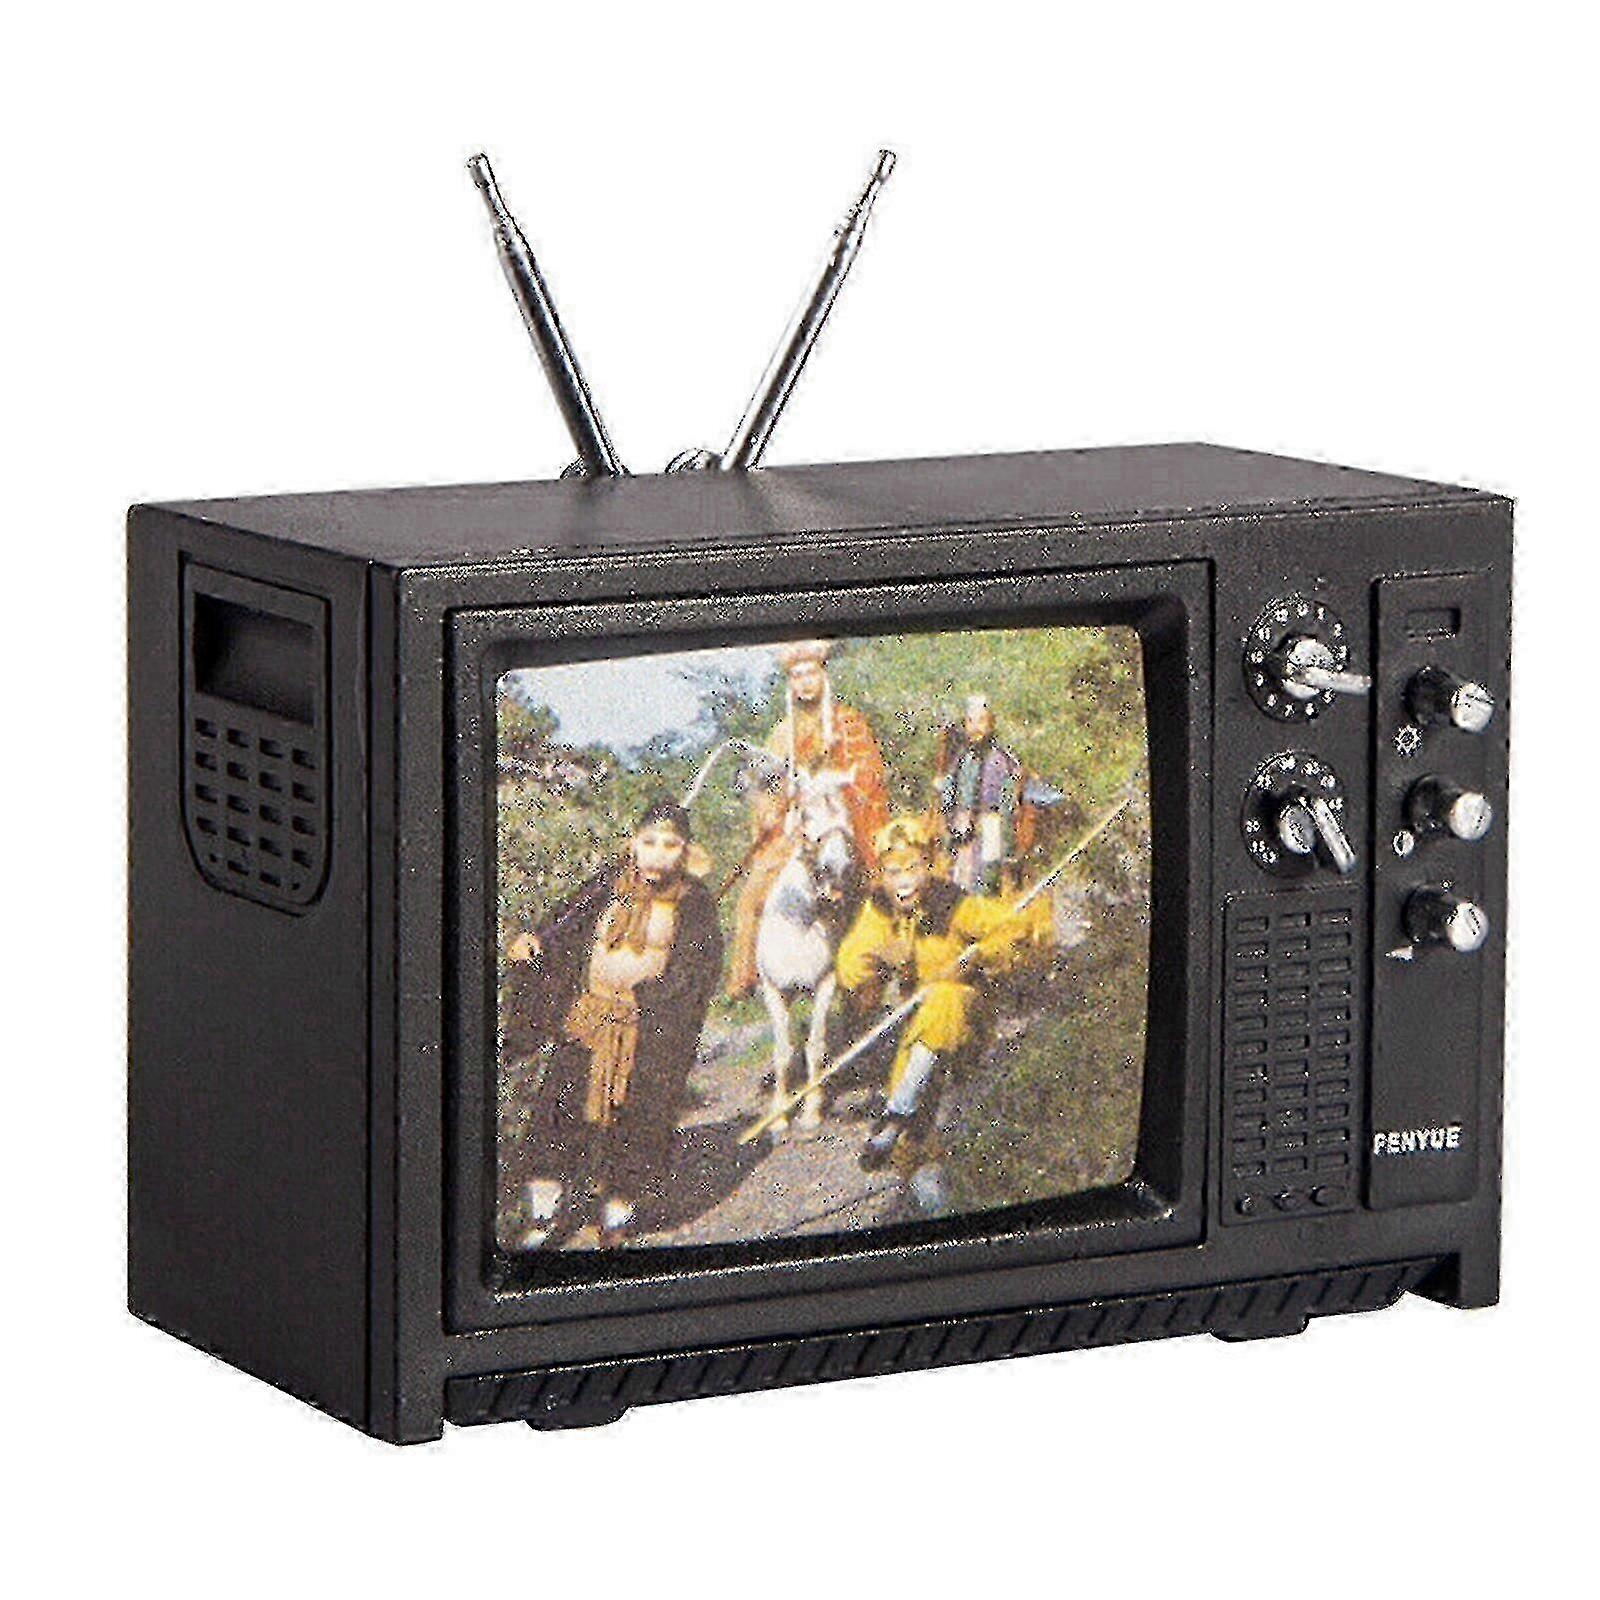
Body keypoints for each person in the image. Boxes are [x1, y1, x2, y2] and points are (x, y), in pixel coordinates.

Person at [502, 800, 723, 1248]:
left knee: (636, 1124)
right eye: (649, 842)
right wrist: (534, 941)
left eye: (670, 845)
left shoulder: (695, 902)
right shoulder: (607, 884)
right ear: (633, 844)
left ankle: (616, 1216)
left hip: (646, 1031)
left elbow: (697, 969)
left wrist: (653, 1002)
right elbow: (564, 923)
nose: (657, 854)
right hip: (587, 1020)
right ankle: (543, 1216)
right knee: (558, 1113)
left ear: (686, 851)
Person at [834, 815, 1049, 1213]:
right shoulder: (879, 911)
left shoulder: (952, 902)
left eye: (913, 869)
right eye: (894, 872)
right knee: (911, 1144)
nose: (904, 882)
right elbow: (850, 967)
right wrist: (880, 955)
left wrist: (979, 955)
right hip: (917, 1031)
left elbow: (1016, 931)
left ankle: (896, 1112)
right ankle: (938, 1210)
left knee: (944, 998)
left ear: (928, 866)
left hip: (966, 1018)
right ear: (881, 875)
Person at [726, 639, 889, 998]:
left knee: (872, 888)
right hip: (798, 826)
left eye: (810, 674)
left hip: (844, 820)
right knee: (752, 894)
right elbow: (766, 784)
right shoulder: (782, 732)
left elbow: (869, 774)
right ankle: (746, 974)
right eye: (797, 676)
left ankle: (873, 979)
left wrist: (842, 786)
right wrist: (770, 808)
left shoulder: (848, 722)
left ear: (823, 675)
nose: (804, 682)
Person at [934, 694, 1023, 893]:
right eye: (970, 722)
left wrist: (1006, 841)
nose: (975, 728)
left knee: (986, 877)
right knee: (959, 879)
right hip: (963, 824)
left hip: (990, 823)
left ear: (990, 724)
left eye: (981, 721)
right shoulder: (962, 758)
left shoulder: (1002, 760)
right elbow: (950, 788)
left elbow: (1008, 803)